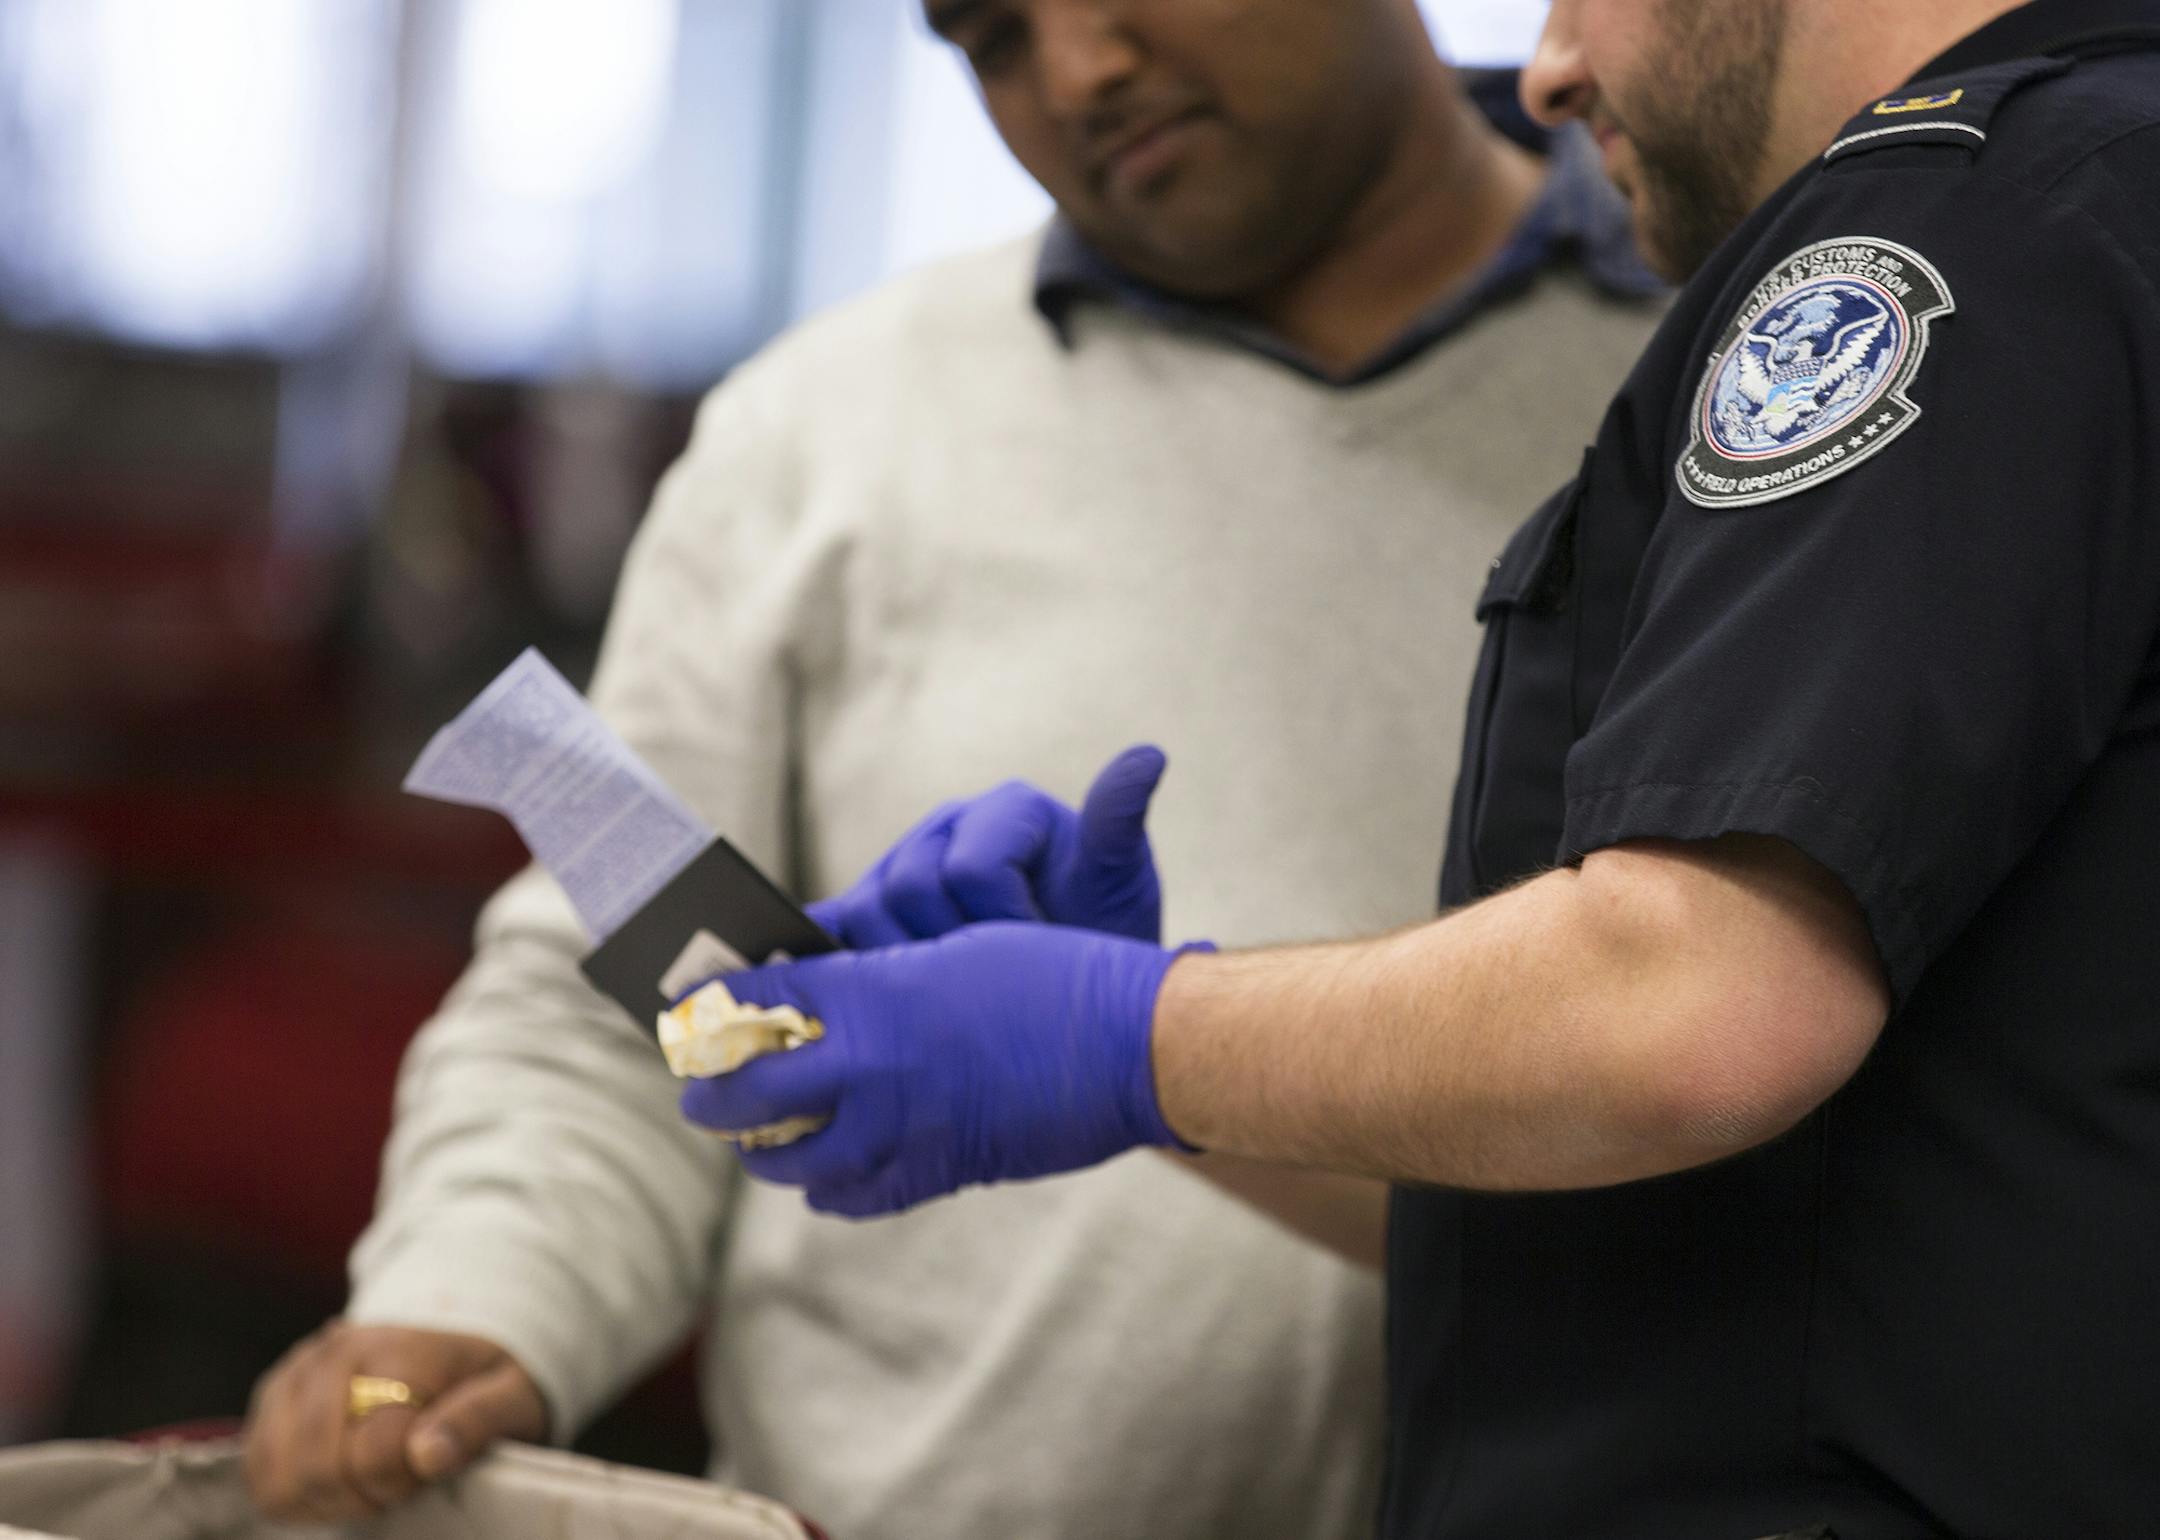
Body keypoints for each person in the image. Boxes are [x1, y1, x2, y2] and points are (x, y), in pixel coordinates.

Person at [677, 0, 2160, 1535]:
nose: (1545, 68)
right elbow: (1767, 1190)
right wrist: (1168, 1082)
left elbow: (1693, 1008)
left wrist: (1131, 1030)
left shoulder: (1967, 220)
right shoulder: (2078, 198)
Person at [242, 4, 1661, 1539]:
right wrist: (471, 1305)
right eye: (988, 36)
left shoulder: (1744, 390)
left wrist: (1153, 1048)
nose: (1075, 75)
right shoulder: (825, 431)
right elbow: (614, 1005)